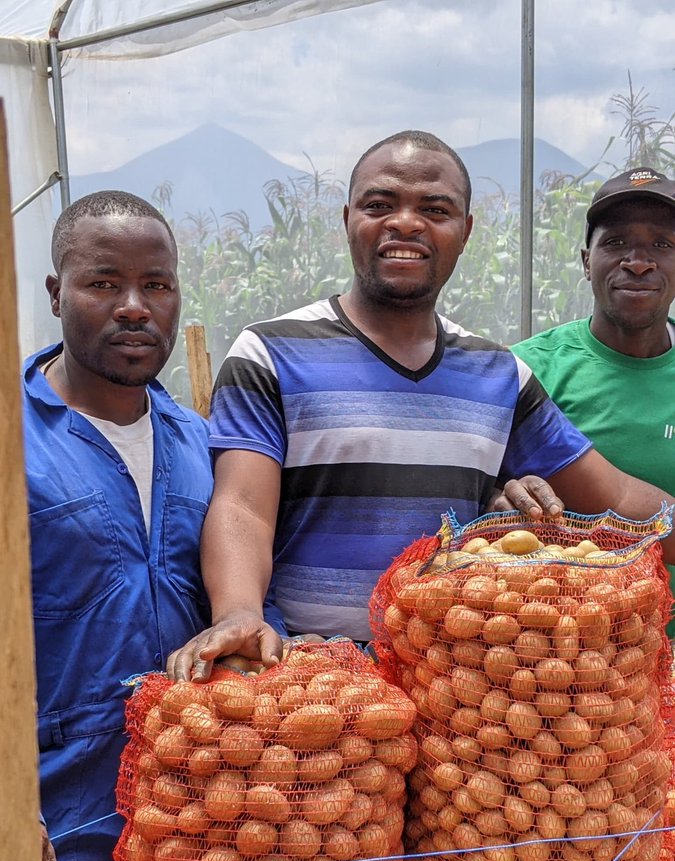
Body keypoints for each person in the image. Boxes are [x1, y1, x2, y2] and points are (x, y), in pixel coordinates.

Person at [167, 132, 675, 682]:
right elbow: (242, 506)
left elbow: (616, 497)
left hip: (454, 697)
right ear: (348, 220)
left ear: (466, 231)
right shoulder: (270, 352)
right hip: (308, 691)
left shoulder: (499, 374)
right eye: (380, 204)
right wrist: (238, 612)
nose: (406, 223)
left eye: (435, 209)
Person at [26, 191, 213, 861]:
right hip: (54, 820)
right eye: (104, 283)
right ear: (56, 292)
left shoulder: (202, 443)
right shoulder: (14, 440)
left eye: (156, 285)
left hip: (191, 819)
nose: (134, 305)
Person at [511, 166, 675, 630]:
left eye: (662, 244)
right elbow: (475, 489)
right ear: (587, 261)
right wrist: (497, 497)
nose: (638, 262)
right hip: (562, 655)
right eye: (616, 243)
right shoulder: (526, 371)